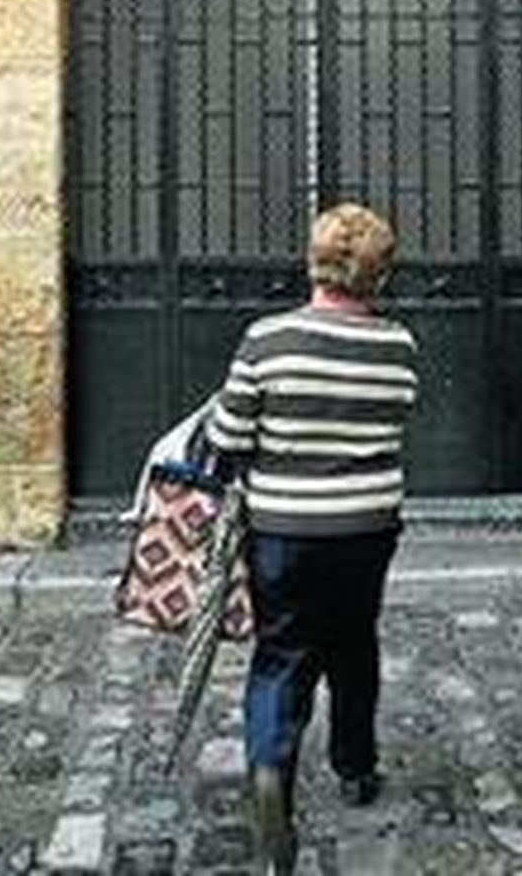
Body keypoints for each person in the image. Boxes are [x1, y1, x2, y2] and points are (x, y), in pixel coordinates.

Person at [205, 203, 419, 875]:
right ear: (378, 275)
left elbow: (228, 437)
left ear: (314, 262)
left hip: (283, 528)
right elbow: (397, 416)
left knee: (282, 651)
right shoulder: (397, 346)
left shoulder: (267, 339)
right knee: (355, 644)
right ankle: (356, 766)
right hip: (365, 527)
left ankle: (271, 764)